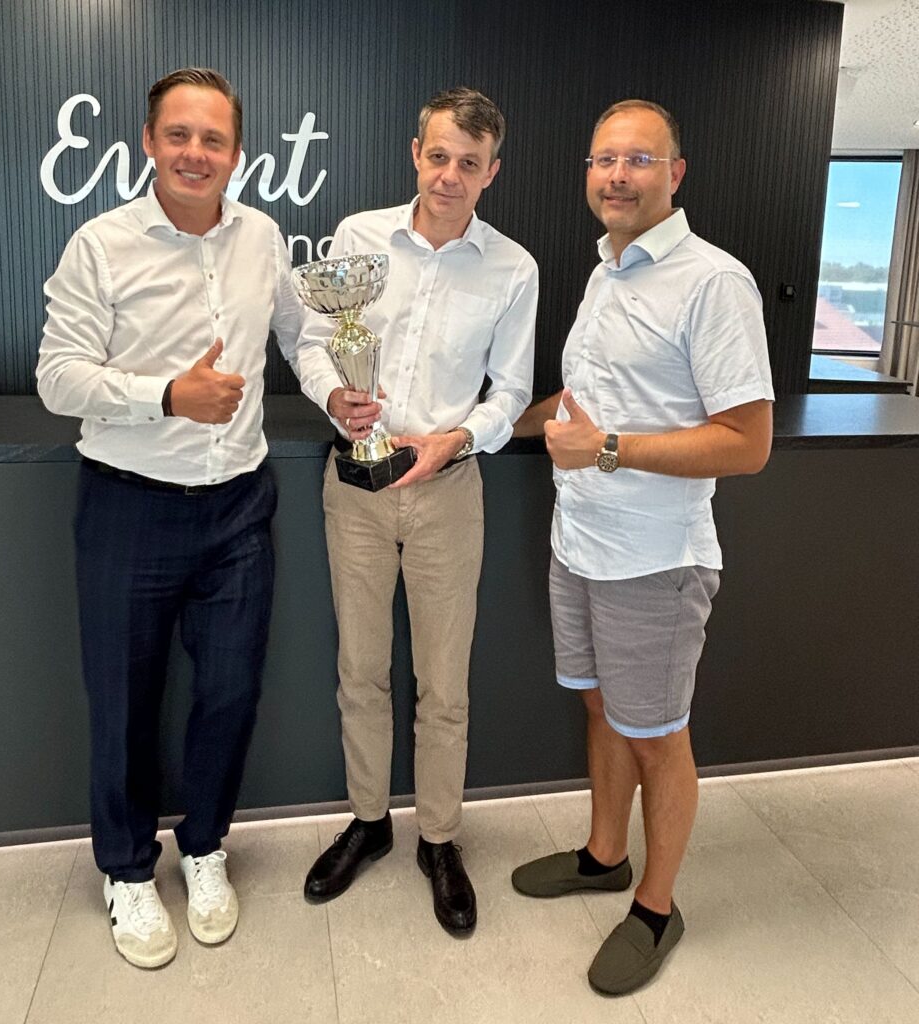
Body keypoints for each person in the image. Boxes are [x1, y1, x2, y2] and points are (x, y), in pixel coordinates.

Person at [36, 67, 303, 969]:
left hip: (239, 506)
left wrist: (343, 394)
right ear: (149, 142)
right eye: (179, 136)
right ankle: (124, 869)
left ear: (239, 153)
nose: (197, 153)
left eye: (214, 139)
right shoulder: (100, 246)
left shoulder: (262, 236)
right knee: (123, 701)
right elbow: (58, 376)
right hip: (129, 506)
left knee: (230, 691)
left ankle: (205, 848)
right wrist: (165, 395)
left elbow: (302, 335)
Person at [510, 100, 773, 994]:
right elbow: (586, 398)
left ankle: (657, 908)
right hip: (579, 541)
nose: (617, 175)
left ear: (676, 173)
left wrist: (611, 450)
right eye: (603, 159)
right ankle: (604, 855)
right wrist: (497, 423)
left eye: (638, 160)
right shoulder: (608, 269)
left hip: (656, 561)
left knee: (658, 734)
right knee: (600, 709)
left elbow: (748, 441)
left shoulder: (713, 281)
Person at [294, 87, 538, 936]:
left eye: (470, 163)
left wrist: (457, 439)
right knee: (359, 669)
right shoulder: (359, 238)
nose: (450, 174)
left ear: (491, 172)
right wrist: (335, 399)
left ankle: (440, 838)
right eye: (439, 156)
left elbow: (512, 392)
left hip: (446, 492)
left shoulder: (514, 268)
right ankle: (369, 822)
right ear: (415, 154)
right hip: (353, 491)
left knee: (445, 685)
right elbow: (312, 339)